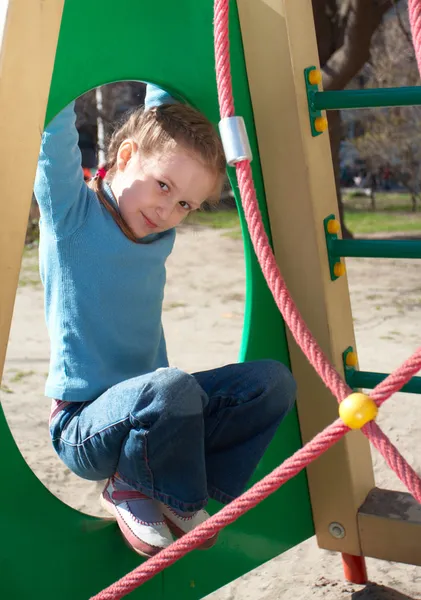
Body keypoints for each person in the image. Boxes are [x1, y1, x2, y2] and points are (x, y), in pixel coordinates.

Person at [34, 83, 296, 558]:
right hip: (84, 424)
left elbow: (165, 116)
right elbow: (51, 130)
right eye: (163, 187)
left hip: (161, 422)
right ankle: (132, 486)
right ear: (126, 155)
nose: (167, 211)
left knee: (271, 382)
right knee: (170, 385)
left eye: (185, 206)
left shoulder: (155, 229)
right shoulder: (70, 214)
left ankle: (181, 492)